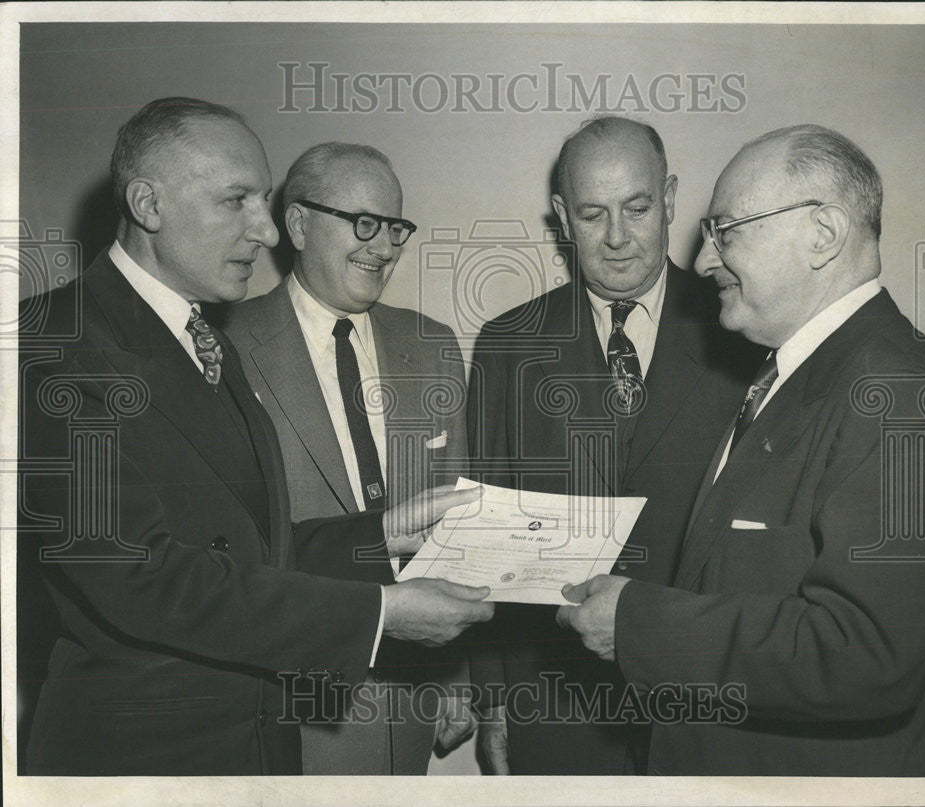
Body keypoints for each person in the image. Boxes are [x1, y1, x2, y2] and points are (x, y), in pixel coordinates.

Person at [18, 97, 494, 776]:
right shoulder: (50, 340)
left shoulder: (203, 340)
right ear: (149, 205)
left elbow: (250, 545)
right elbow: (143, 574)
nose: (266, 232)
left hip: (252, 745)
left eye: (262, 200)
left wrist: (377, 535)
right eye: (236, 200)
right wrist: (379, 612)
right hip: (142, 761)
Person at [557, 124, 925, 776]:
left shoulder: (899, 391)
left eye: (727, 231)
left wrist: (640, 623)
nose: (705, 259)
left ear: (823, 234)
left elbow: (868, 652)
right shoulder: (793, 373)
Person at [466, 116, 759, 774]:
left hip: (706, 697)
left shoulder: (745, 328)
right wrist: (494, 699)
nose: (619, 238)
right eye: (594, 214)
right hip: (556, 701)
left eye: (638, 207)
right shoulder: (508, 344)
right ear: (563, 217)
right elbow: (484, 539)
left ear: (672, 198)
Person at [224, 142, 473, 774]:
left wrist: (457, 673)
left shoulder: (433, 345)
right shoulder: (225, 347)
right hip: (292, 697)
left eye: (394, 227)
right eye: (362, 222)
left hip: (414, 695)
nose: (384, 245)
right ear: (301, 224)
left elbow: (457, 526)